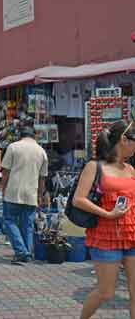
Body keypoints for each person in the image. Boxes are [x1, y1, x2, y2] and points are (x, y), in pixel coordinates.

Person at [73, 121, 135, 319]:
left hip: (131, 234)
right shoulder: (94, 166)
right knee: (106, 292)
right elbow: (78, 199)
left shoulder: (130, 170)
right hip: (105, 236)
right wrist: (107, 214)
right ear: (124, 140)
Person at [1, 126, 48, 264]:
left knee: (9, 220)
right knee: (27, 224)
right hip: (31, 192)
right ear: (34, 136)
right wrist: (40, 194)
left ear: (20, 135)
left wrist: (3, 188)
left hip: (13, 190)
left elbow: (5, 172)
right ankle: (26, 252)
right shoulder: (41, 151)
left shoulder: (13, 147)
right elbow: (42, 177)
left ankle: (22, 251)